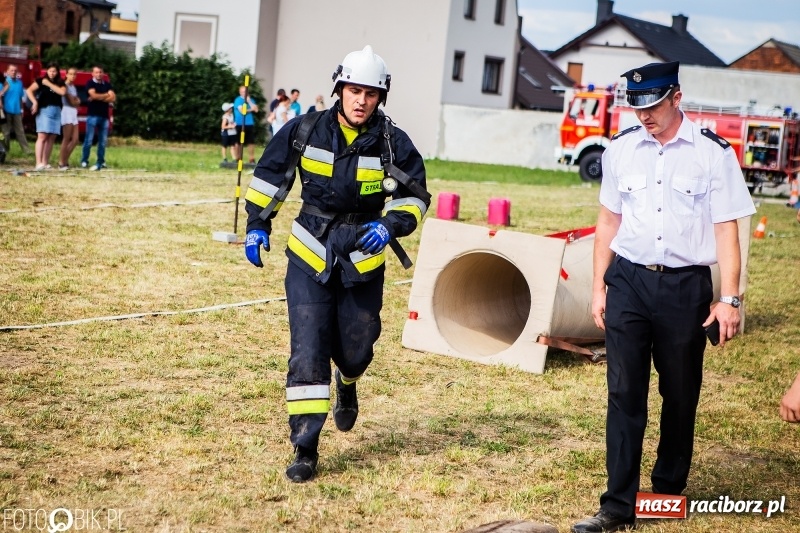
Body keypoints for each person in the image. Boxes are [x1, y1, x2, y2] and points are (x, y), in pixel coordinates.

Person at [572, 61, 756, 533]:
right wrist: (599, 286)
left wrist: (729, 299)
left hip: (684, 287)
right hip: (629, 281)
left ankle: (666, 494)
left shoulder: (713, 154)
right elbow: (608, 223)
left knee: (679, 395)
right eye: (636, 106)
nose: (644, 115)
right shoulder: (620, 151)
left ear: (676, 96)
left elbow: (726, 231)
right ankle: (617, 505)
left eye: (652, 105)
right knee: (623, 393)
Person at [243, 45, 428, 483]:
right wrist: (257, 224)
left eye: (370, 93)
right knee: (307, 349)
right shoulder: (304, 129)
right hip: (309, 251)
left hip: (363, 257)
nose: (361, 100)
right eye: (353, 90)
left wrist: (391, 224)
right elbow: (271, 176)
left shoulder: (392, 142)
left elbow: (416, 195)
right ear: (339, 89)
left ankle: (348, 380)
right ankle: (305, 446)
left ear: (381, 98)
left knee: (357, 347)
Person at [26, 62, 66, 171]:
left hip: (57, 110)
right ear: (47, 71)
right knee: (42, 136)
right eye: (50, 71)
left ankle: (45, 162)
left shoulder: (60, 82)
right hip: (44, 110)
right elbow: (29, 90)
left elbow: (62, 92)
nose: (52, 73)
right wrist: (34, 102)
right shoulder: (40, 81)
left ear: (57, 72)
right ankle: (38, 163)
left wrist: (48, 84)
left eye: (54, 71)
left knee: (51, 137)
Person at [80, 65, 116, 171]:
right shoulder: (90, 83)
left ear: (103, 73)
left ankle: (100, 161)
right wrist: (106, 96)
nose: (99, 74)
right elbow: (93, 95)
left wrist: (98, 96)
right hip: (92, 115)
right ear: (93, 73)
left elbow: (113, 97)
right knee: (89, 140)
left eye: (100, 72)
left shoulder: (107, 84)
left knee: (102, 141)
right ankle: (84, 160)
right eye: (96, 72)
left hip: (104, 116)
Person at [0, 64, 32, 155]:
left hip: (17, 111)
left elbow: (20, 98)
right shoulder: (4, 82)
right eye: (11, 70)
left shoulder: (19, 83)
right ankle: (5, 150)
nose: (13, 72)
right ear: (7, 72)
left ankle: (27, 150)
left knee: (20, 131)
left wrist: (22, 110)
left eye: (15, 71)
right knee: (6, 133)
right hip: (6, 111)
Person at [58, 67, 81, 170]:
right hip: (66, 111)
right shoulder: (65, 86)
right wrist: (76, 101)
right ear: (66, 74)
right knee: (66, 138)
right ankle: (61, 162)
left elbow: (76, 100)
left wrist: (76, 101)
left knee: (75, 139)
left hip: (73, 112)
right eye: (70, 74)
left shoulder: (73, 87)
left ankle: (65, 159)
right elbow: (72, 101)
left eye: (74, 74)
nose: (73, 76)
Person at [233, 85, 259, 164]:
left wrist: (249, 102)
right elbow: (243, 111)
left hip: (249, 123)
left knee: (251, 142)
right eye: (243, 91)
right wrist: (252, 109)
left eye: (246, 91)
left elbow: (256, 110)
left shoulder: (251, 100)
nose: (245, 93)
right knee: (238, 142)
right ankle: (238, 158)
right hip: (240, 123)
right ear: (240, 92)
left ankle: (251, 159)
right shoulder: (238, 100)